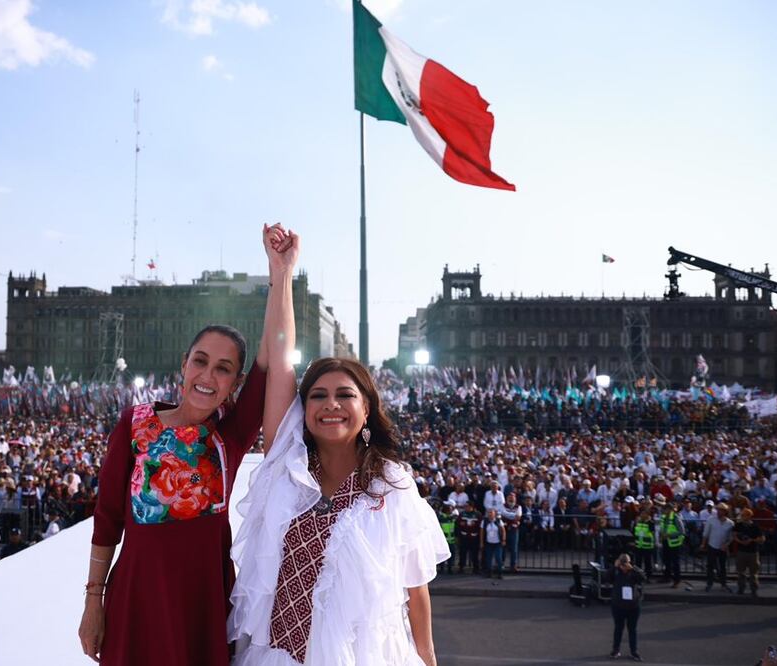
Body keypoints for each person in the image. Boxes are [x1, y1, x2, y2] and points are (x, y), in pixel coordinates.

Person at [79, 223, 295, 665]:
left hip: (204, 605)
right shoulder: (134, 425)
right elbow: (107, 521)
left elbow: (273, 355)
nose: (207, 376)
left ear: (236, 383)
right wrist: (92, 602)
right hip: (136, 601)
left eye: (223, 369)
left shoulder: (229, 437)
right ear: (184, 364)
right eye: (200, 361)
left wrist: (281, 273)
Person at [228, 357, 449, 665]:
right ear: (303, 411)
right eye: (318, 396)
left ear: (367, 409)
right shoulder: (287, 477)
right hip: (282, 654)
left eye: (345, 395)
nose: (331, 404)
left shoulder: (392, 485)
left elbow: (416, 588)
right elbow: (279, 357)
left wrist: (428, 658)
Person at [602, 553, 645, 661]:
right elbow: (605, 578)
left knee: (632, 629)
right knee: (618, 628)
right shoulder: (616, 572)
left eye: (626, 563)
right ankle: (616, 650)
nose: (624, 566)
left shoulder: (633, 571)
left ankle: (634, 651)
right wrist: (614, 567)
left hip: (633, 606)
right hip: (618, 605)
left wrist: (633, 568)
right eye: (622, 564)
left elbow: (643, 578)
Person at [701, 502, 734, 592]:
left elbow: (731, 537)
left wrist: (726, 545)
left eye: (721, 510)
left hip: (722, 548)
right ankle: (709, 583)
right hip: (712, 546)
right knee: (710, 566)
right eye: (718, 510)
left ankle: (723, 584)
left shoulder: (730, 523)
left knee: (722, 567)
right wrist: (703, 544)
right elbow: (706, 533)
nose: (719, 512)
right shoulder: (711, 519)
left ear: (725, 512)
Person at [733, 508, 765, 597]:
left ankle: (754, 589)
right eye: (742, 515)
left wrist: (752, 540)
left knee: (753, 573)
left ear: (749, 516)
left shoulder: (755, 526)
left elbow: (762, 539)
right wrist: (741, 542)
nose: (742, 517)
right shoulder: (738, 525)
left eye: (744, 515)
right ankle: (741, 588)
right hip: (741, 551)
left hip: (753, 552)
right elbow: (734, 535)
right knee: (740, 572)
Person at [658, 501, 685, 588]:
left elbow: (681, 531)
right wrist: (661, 535)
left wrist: (669, 535)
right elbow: (662, 528)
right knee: (666, 560)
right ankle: (667, 577)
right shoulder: (663, 517)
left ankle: (677, 580)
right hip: (666, 542)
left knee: (675, 562)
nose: (664, 511)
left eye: (666, 509)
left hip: (674, 543)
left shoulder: (676, 518)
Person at [481, 507, 507, 579]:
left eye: (491, 513)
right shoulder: (485, 521)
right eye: (489, 513)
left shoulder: (499, 521)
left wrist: (504, 540)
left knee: (498, 558)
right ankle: (489, 572)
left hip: (497, 543)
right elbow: (482, 532)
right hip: (488, 543)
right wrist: (481, 542)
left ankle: (500, 573)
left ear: (494, 514)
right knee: (488, 559)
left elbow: (503, 531)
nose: (490, 514)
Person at [631, 509, 655, 581]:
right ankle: (638, 577)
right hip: (638, 545)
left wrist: (648, 521)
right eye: (641, 514)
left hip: (647, 546)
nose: (642, 515)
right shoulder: (637, 522)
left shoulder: (650, 523)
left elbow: (652, 532)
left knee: (648, 563)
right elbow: (633, 532)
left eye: (644, 514)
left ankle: (648, 577)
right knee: (638, 562)